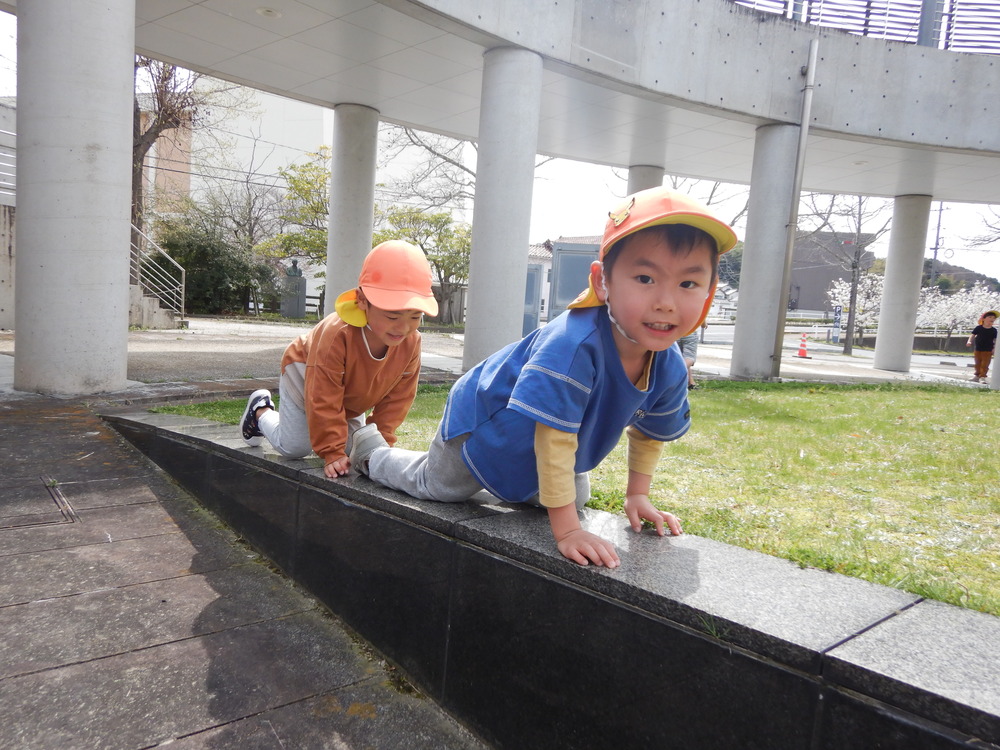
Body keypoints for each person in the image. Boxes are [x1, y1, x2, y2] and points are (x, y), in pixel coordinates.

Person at [350, 187, 737, 568]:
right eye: (645, 279)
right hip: (483, 418)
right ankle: (370, 451)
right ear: (602, 281)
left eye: (688, 283)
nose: (666, 302)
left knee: (573, 496)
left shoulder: (668, 362)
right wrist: (568, 532)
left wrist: (638, 495)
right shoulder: (573, 344)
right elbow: (554, 438)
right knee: (438, 487)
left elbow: (650, 431)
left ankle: (513, 479)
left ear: (708, 291)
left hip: (541, 440)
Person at [240, 240, 438, 477]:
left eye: (415, 317)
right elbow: (323, 393)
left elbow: (400, 398)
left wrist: (381, 442)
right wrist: (331, 451)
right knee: (295, 447)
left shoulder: (411, 342)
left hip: (350, 396)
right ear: (363, 301)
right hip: (304, 377)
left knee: (357, 450)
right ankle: (260, 411)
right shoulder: (337, 334)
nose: (404, 328)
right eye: (393, 316)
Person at [966, 309, 998, 383]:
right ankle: (977, 376)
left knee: (985, 364)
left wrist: (994, 348)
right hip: (978, 348)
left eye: (993, 318)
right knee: (977, 363)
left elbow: (995, 340)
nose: (992, 319)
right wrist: (969, 341)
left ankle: (982, 376)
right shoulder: (979, 328)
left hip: (988, 350)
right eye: (990, 317)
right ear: (983, 319)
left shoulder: (993, 330)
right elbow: (972, 335)